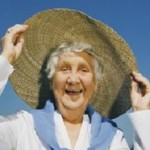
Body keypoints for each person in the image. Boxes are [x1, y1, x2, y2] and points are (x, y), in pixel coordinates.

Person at [0, 9, 150, 150]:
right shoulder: (23, 126)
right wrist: (5, 59)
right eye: (64, 69)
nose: (73, 79)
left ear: (95, 84)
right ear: (52, 82)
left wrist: (142, 112)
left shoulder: (113, 138)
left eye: (84, 70)